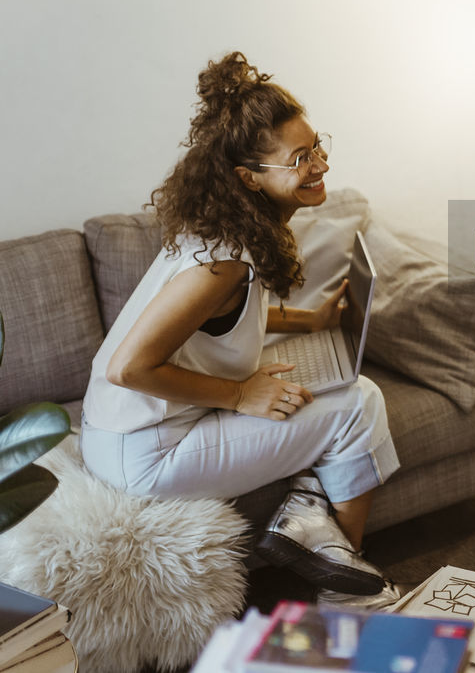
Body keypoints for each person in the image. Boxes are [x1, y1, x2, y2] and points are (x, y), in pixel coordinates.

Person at [80, 51, 401, 609]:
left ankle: (306, 514)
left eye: (317, 145)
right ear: (249, 178)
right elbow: (128, 368)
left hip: (131, 433)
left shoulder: (228, 234)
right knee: (358, 402)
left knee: (324, 388)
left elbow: (228, 319)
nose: (320, 164)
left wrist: (313, 320)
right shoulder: (222, 259)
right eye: (300, 158)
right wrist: (239, 394)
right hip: (143, 454)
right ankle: (344, 591)